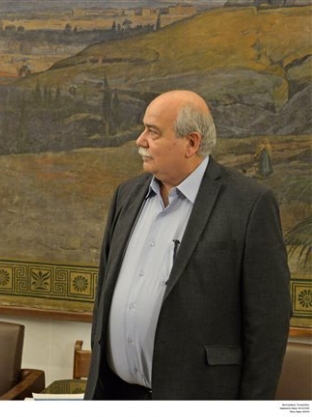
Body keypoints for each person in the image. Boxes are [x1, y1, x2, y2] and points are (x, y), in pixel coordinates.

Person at [84, 90, 291, 400]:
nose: (140, 140)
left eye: (153, 132)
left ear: (191, 143)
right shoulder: (126, 195)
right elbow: (104, 292)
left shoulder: (249, 205)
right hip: (114, 394)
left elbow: (268, 326)